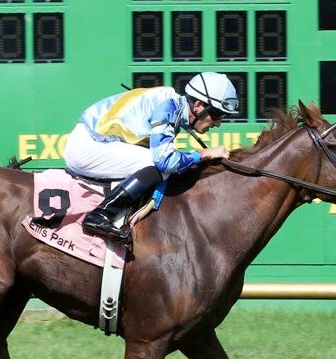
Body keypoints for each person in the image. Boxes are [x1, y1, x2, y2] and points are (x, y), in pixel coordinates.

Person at [65, 72, 238, 243]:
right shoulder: (168, 106)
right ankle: (101, 214)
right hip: (87, 145)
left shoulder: (172, 106)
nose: (218, 123)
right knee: (156, 164)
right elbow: (165, 162)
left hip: (94, 141)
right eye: (216, 114)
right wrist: (203, 154)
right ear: (198, 105)